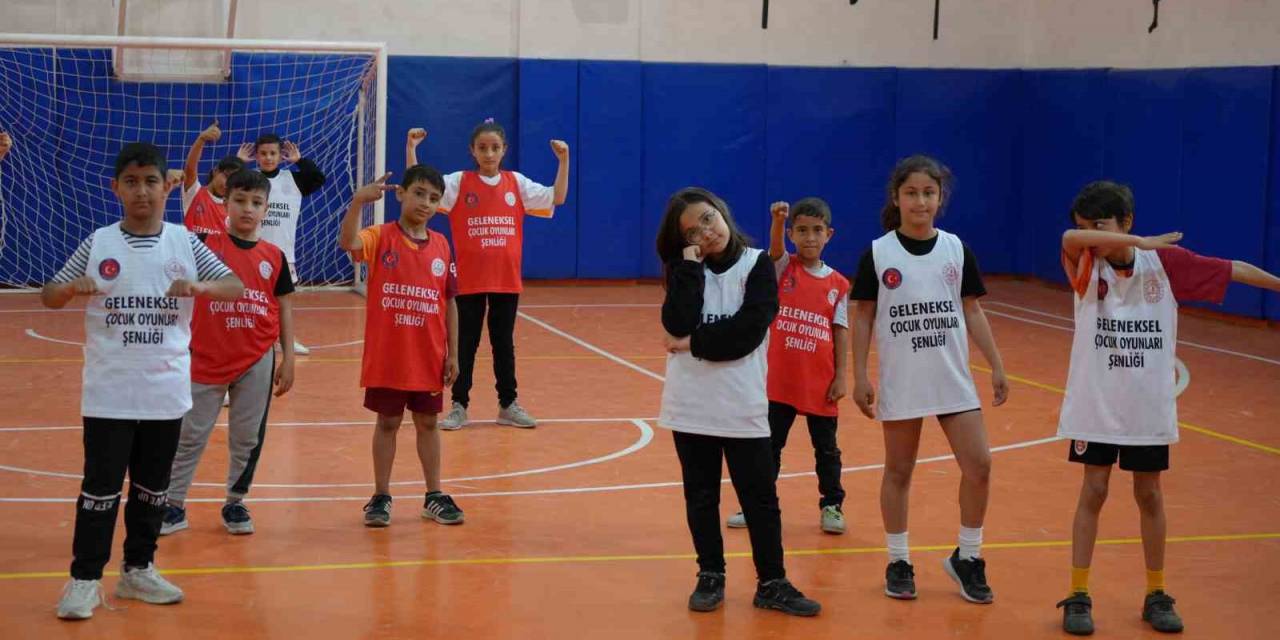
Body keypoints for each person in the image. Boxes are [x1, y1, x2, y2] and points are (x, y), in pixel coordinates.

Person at [1053, 180, 1280, 635]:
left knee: (1149, 494)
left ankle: (1156, 592)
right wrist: (1125, 240)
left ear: (1127, 220)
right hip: (1095, 404)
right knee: (1093, 491)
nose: (1093, 235)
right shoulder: (1084, 263)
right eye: (1087, 227)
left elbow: (1231, 268)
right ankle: (1078, 594)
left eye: (1102, 226)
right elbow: (1068, 239)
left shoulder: (1164, 266)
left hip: (1145, 406)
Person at [44, 142, 243, 620]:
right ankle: (85, 579)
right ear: (116, 189)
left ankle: (139, 569)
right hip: (109, 392)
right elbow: (50, 294)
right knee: (100, 490)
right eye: (131, 182)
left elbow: (233, 283)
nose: (142, 191)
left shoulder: (185, 242)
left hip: (164, 390)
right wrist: (73, 287)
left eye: (151, 181)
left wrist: (201, 286)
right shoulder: (98, 243)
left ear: (165, 186)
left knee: (153, 489)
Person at [850, 155, 1008, 604]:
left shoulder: (956, 249)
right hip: (904, 379)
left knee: (979, 464)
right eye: (912, 193)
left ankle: (968, 557)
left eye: (929, 193)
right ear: (896, 198)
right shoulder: (879, 253)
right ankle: (898, 560)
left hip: (952, 378)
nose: (920, 201)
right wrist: (859, 373)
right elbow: (863, 317)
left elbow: (972, 310)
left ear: (940, 199)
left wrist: (995, 364)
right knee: (899, 470)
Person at [657, 186, 821, 617]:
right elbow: (675, 320)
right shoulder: (684, 269)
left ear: (722, 213)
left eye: (708, 219)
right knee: (701, 495)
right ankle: (710, 575)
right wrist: (690, 268)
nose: (705, 233)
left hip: (743, 406)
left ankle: (772, 582)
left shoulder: (758, 265)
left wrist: (692, 344)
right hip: (690, 404)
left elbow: (748, 333)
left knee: (760, 498)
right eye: (692, 231)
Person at [406, 122, 568, 429]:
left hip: (506, 280)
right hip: (468, 280)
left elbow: (556, 197)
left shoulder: (515, 183)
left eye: (495, 148)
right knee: (465, 343)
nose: (489, 153)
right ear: (472, 151)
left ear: (504, 150)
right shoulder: (458, 183)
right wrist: (411, 149)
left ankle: (508, 405)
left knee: (503, 343)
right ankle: (458, 405)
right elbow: (420, 189)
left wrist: (563, 161)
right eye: (482, 148)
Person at [162, 169, 296, 537]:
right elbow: (163, 240)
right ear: (226, 203)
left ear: (267, 208)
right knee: (190, 433)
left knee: (247, 435)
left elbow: (283, 306)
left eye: (256, 203)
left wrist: (289, 358)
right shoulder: (201, 243)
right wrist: (167, 190)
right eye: (240, 201)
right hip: (206, 356)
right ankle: (172, 505)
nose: (248, 209)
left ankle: (236, 502)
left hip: (256, 357)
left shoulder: (275, 256)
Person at [338, 166, 463, 528]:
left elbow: (449, 301)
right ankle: (380, 495)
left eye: (434, 198)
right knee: (388, 422)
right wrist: (358, 202)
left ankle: (434, 495)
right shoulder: (381, 236)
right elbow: (349, 243)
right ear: (401, 194)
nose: (425, 202)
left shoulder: (441, 245)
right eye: (419, 193)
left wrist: (452, 352)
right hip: (389, 355)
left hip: (427, 356)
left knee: (428, 422)